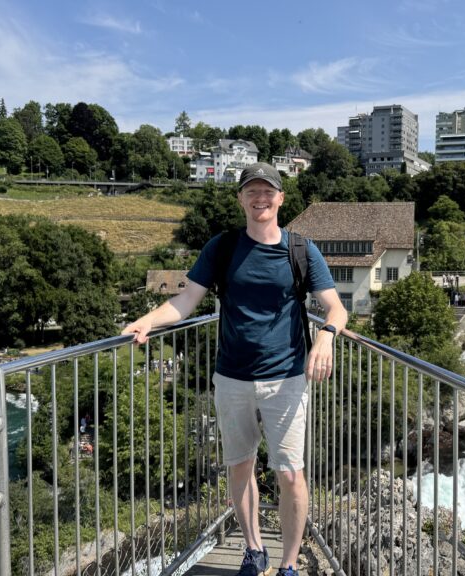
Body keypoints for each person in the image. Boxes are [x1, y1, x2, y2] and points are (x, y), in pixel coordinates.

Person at [122, 162, 346, 576]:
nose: (260, 198)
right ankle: (254, 549)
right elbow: (186, 301)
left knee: (291, 474)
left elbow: (334, 306)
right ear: (241, 198)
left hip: (287, 379)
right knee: (240, 466)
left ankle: (289, 564)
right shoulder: (222, 247)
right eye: (251, 191)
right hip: (232, 378)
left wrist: (327, 335)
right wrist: (147, 321)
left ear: (281, 198)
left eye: (268, 191)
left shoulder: (300, 249)